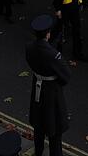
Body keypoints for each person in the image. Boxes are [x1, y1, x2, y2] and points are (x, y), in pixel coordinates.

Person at [26, 14, 71, 156]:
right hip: (51, 92)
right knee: (55, 130)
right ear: (48, 33)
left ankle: (38, 152)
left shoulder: (29, 47)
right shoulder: (53, 54)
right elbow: (66, 76)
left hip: (38, 88)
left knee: (39, 126)